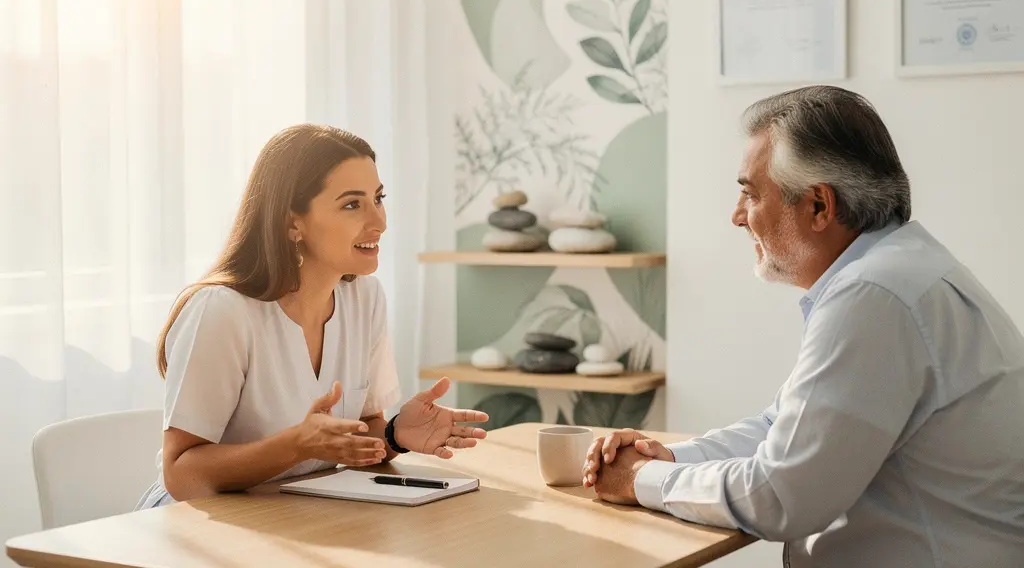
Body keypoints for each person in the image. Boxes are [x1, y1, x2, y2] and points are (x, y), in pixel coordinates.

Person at [582, 86, 1024, 566]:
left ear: (818, 206)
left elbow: (782, 495)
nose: (736, 216)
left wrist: (638, 480)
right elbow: (782, 426)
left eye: (749, 193)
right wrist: (667, 457)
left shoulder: (874, 294)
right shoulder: (896, 269)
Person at [136, 124, 488, 509]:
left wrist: (393, 435)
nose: (380, 222)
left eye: (378, 198)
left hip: (295, 511)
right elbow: (182, 475)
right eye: (352, 204)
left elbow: (361, 435)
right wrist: (294, 446)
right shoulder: (222, 311)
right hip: (196, 523)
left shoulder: (363, 298)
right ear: (292, 223)